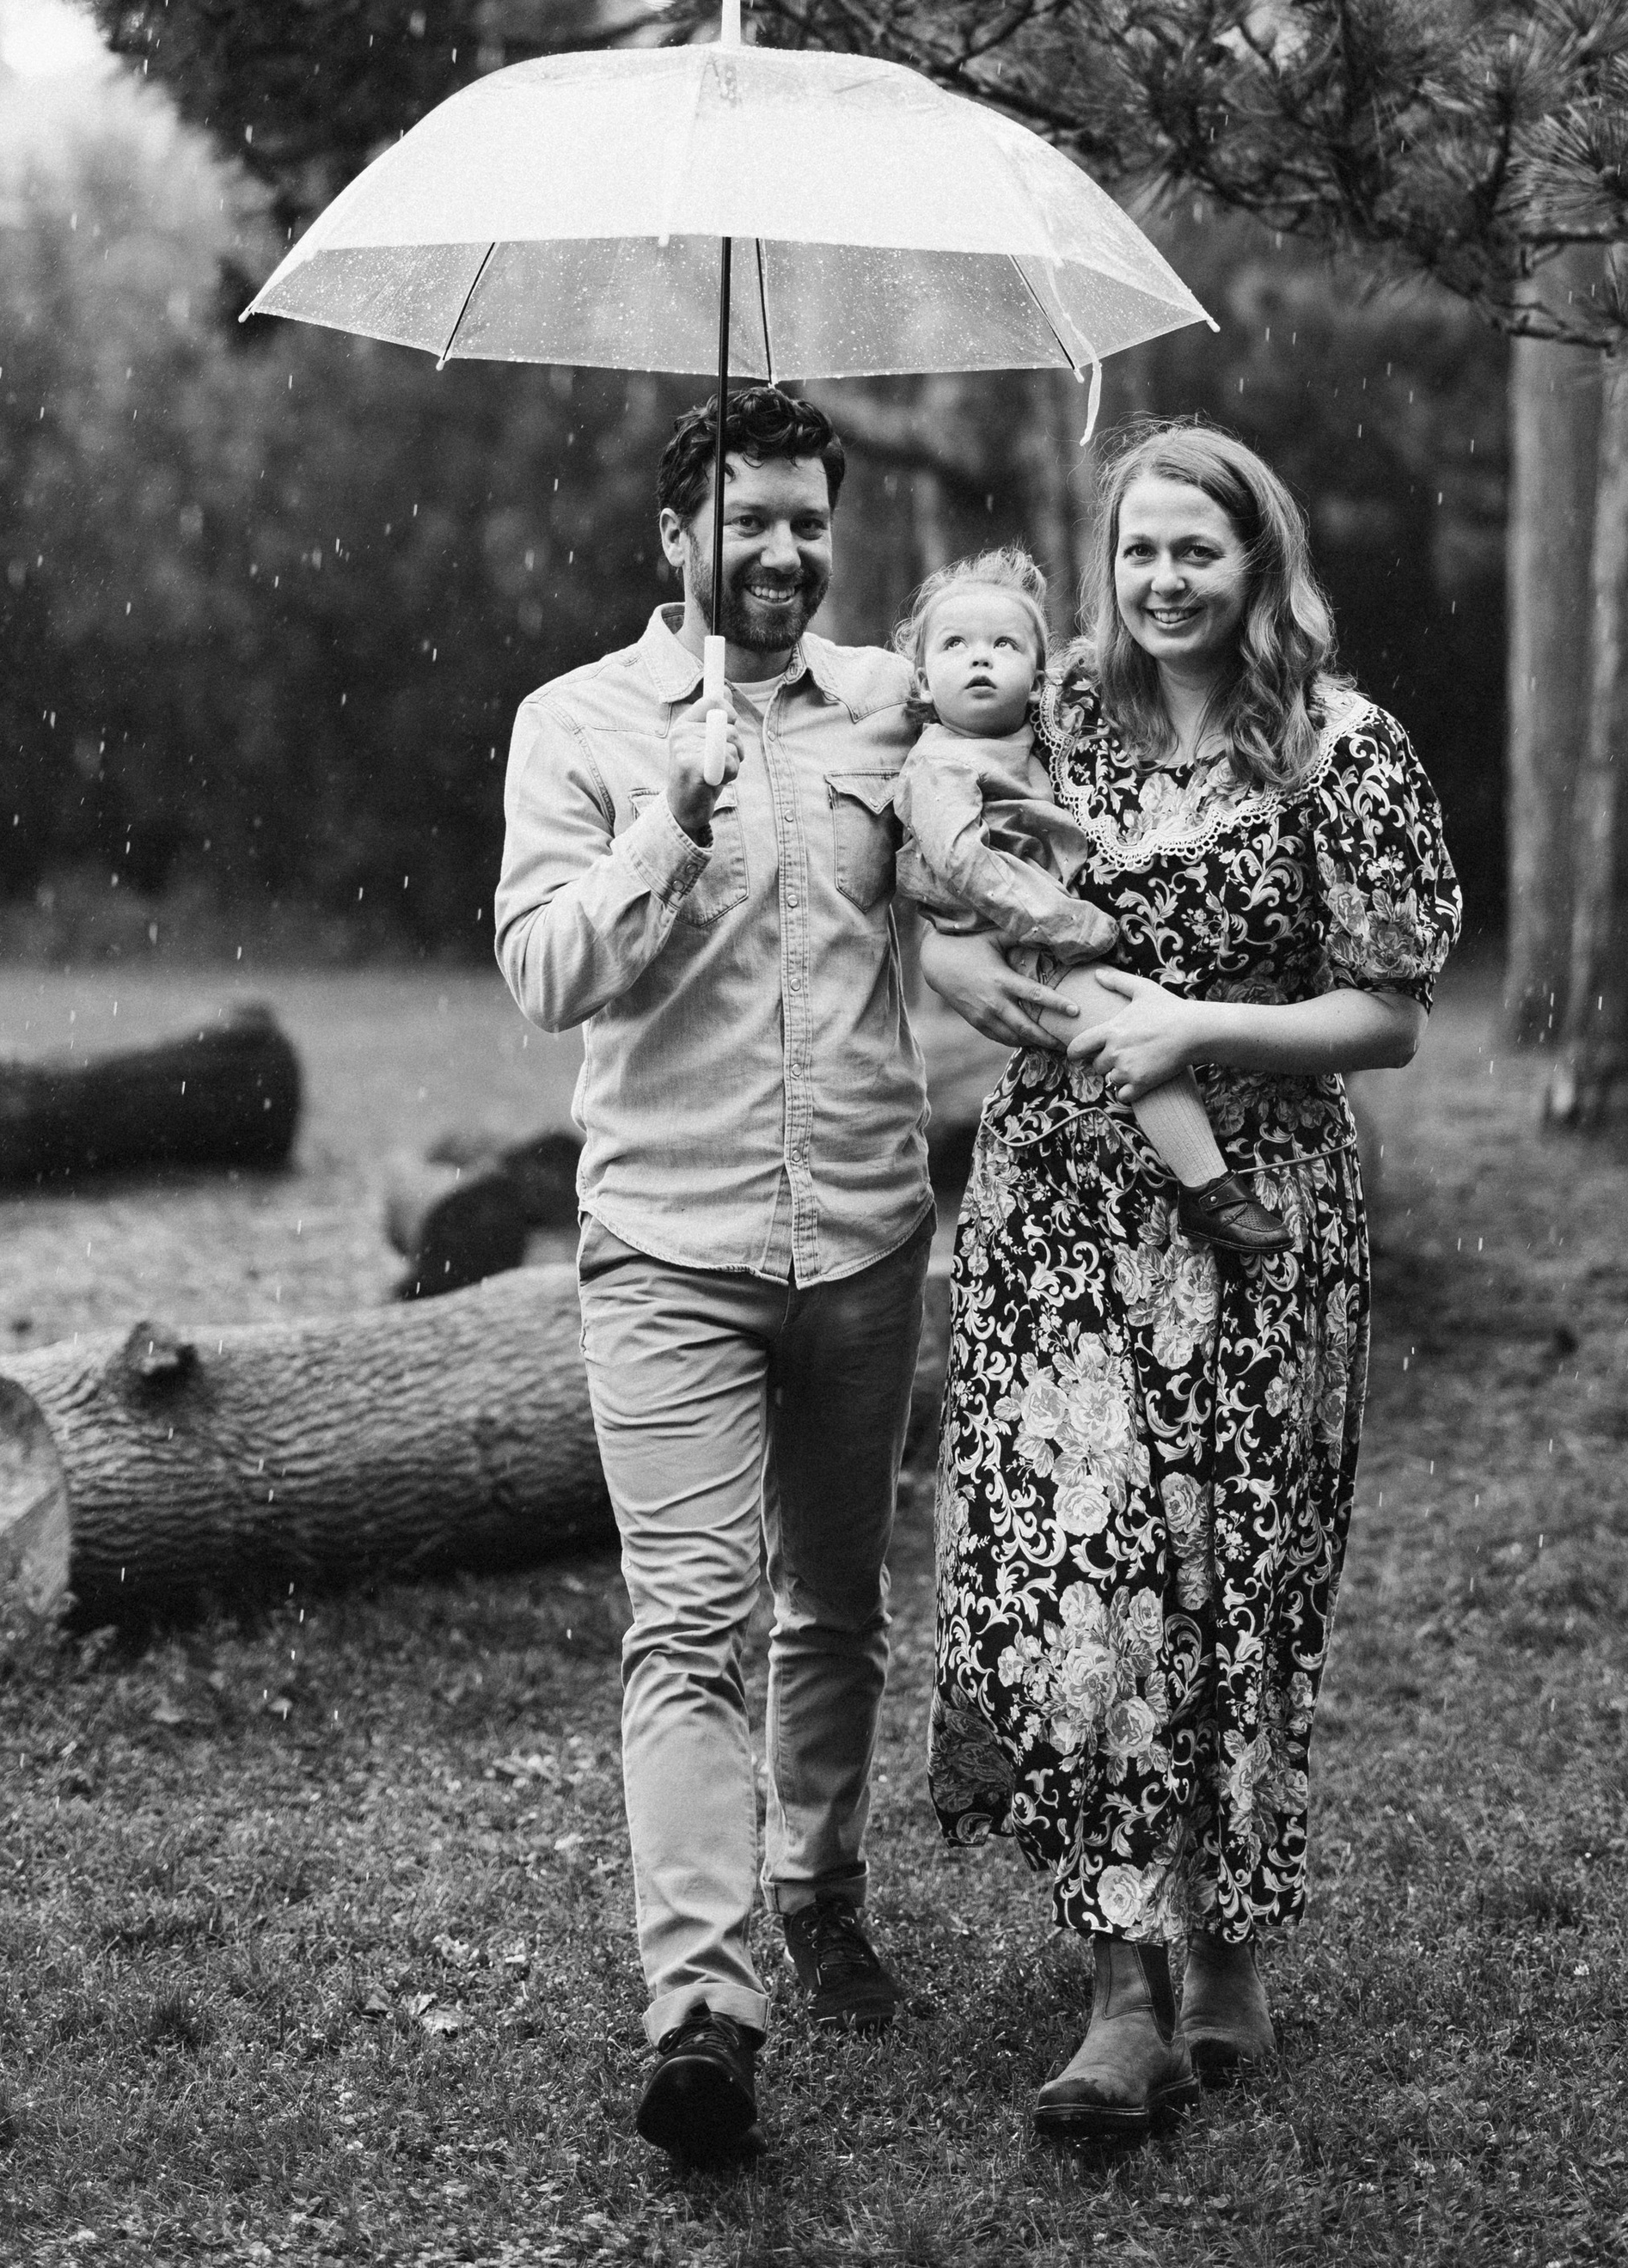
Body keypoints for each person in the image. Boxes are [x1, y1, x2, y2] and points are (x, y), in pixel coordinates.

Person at [921, 421, 1461, 2140]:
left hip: (1254, 1222)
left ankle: (1222, 1935)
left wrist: (1195, 1022)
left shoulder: (1338, 747)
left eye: (1194, 553)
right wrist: (952, 957)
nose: (1160, 583)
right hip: (1058, 1216)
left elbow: (1381, 1010)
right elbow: (925, 857)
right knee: (1085, 1580)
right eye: (1136, 552)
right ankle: (1115, 1990)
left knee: (1235, 1582)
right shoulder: (1045, 720)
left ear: (1257, 565)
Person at [493, 382, 933, 2168]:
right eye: (745, 521)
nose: (780, 552)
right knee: (687, 1621)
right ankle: (701, 2008)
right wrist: (661, 832)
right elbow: (540, 973)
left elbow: (982, 866)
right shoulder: (575, 723)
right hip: (667, 1248)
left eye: (805, 522)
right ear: (674, 537)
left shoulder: (892, 711)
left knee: (835, 1607)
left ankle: (814, 1891)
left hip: (864, 1234)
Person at [890, 547, 1287, 1257]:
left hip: (1036, 932)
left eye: (1003, 645)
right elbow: (965, 861)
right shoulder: (939, 762)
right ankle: (1210, 1188)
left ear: (1037, 678)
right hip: (1021, 941)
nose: (979, 660)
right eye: (955, 646)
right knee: (1131, 1030)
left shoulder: (1035, 734)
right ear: (922, 676)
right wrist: (1068, 922)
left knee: (1133, 1031)